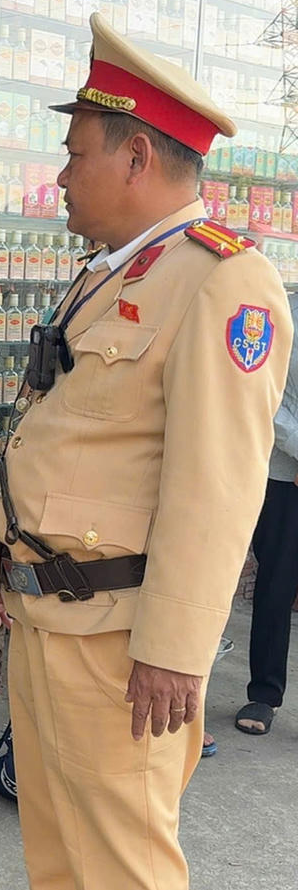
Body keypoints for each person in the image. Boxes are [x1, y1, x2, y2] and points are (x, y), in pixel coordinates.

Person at [0, 12, 292, 890]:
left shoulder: (225, 280)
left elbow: (220, 485)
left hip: (122, 646)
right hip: (53, 617)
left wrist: (177, 650)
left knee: (121, 867)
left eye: (76, 154)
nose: (63, 174)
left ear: (136, 158)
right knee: (58, 855)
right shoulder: (115, 268)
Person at [236, 288, 298, 737]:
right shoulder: (280, 311)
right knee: (277, 581)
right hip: (283, 472)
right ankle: (264, 692)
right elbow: (261, 391)